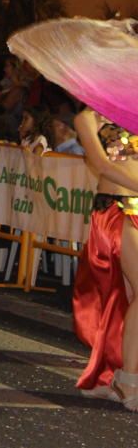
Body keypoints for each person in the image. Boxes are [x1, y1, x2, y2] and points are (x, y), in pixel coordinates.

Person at [73, 109, 138, 408]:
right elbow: (100, 163)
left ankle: (112, 373)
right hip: (117, 210)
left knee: (126, 299)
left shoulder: (131, 109)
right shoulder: (89, 117)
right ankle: (127, 381)